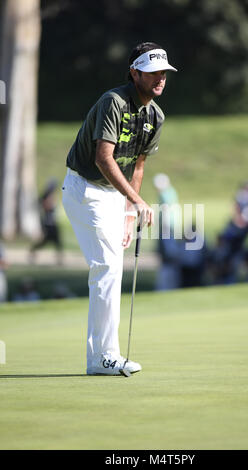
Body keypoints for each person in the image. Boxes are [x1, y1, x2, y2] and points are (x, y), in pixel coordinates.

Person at [62, 42, 177, 376]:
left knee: (112, 267)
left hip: (113, 194)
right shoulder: (114, 101)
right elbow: (103, 158)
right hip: (85, 188)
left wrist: (129, 211)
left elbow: (138, 166)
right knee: (107, 268)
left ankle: (103, 355)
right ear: (135, 72)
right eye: (153, 72)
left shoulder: (156, 115)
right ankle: (102, 356)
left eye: (164, 73)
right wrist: (138, 201)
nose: (160, 79)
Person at [29, 179, 63, 265]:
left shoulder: (50, 195)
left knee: (57, 241)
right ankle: (33, 250)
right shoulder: (46, 196)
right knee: (47, 241)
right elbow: (45, 206)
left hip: (52, 222)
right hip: (48, 223)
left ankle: (59, 260)